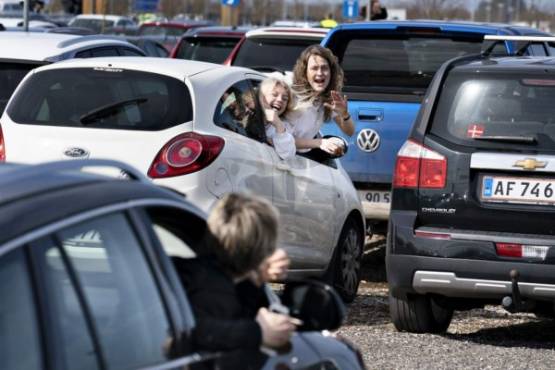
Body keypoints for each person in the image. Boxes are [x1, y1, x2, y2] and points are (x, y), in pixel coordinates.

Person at [173, 193, 297, 354]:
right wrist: (257, 333)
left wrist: (263, 279)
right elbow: (194, 333)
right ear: (261, 250)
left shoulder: (193, 272)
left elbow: (265, 296)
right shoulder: (212, 289)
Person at [287, 45, 354, 156]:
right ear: (305, 72)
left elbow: (350, 131)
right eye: (314, 68)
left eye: (324, 68)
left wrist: (344, 114)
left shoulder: (328, 98)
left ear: (331, 72)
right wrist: (320, 143)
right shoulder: (292, 96)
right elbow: (282, 139)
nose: (320, 73)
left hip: (299, 160)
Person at [258, 77, 296, 160]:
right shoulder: (247, 115)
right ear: (262, 97)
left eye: (285, 99)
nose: (280, 100)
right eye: (274, 94)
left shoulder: (283, 128)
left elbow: (288, 156)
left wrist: (278, 124)